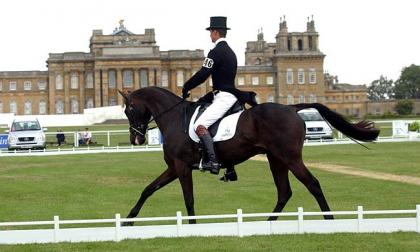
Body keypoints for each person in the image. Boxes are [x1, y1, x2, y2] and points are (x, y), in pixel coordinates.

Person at [182, 16, 256, 175]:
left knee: (199, 126)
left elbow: (203, 74)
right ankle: (230, 167)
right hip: (228, 96)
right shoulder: (231, 52)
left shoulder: (215, 52)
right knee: (222, 128)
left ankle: (214, 162)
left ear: (215, 32)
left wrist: (187, 86)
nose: (210, 35)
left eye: (210, 32)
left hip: (224, 97)